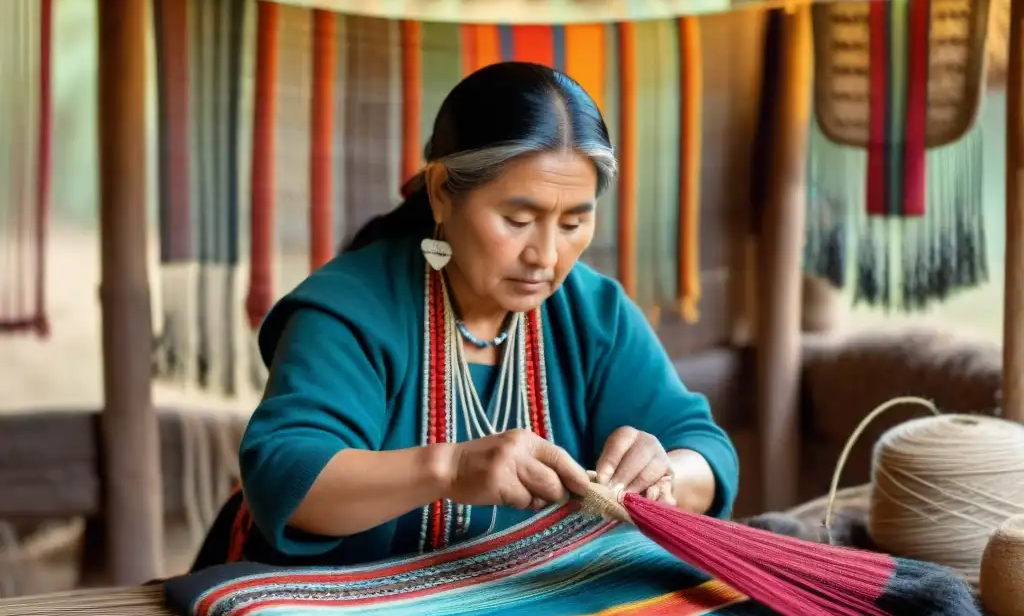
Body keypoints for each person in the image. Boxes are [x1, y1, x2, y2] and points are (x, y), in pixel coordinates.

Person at [194, 61, 739, 569]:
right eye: (518, 219)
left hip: (522, 613)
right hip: (340, 612)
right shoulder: (353, 311)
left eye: (573, 224)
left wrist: (664, 476)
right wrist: (449, 469)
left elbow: (706, 451)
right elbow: (285, 476)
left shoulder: (593, 314)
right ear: (441, 193)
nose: (546, 256)